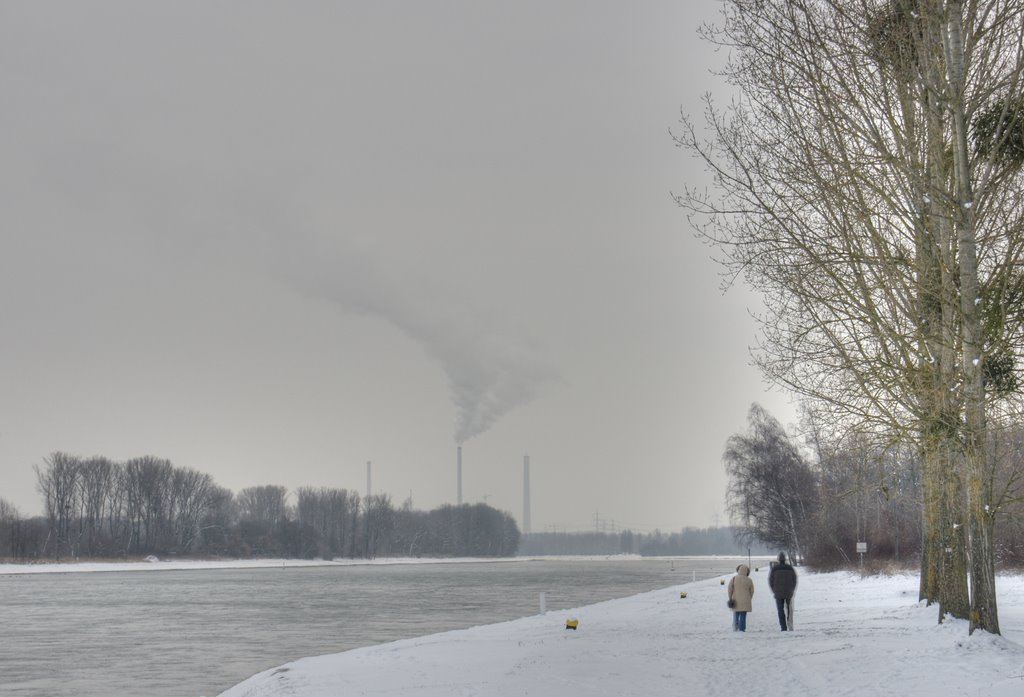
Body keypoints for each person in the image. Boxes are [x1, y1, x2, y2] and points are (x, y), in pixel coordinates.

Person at [768, 551, 798, 631]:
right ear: (785, 559)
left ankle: (783, 627)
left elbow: (771, 581)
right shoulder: (790, 568)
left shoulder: (774, 569)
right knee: (789, 609)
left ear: (778, 559)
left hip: (778, 593)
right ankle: (790, 624)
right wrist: (792, 589)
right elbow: (794, 580)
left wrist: (774, 590)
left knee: (780, 610)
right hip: (788, 592)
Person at [727, 564, 754, 632]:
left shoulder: (734, 578)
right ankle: (742, 628)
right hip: (745, 600)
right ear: (747, 571)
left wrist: (730, 597)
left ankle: (735, 627)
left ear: (739, 570)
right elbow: (752, 591)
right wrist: (749, 598)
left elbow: (730, 589)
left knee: (736, 614)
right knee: (743, 615)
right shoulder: (749, 580)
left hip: (735, 599)